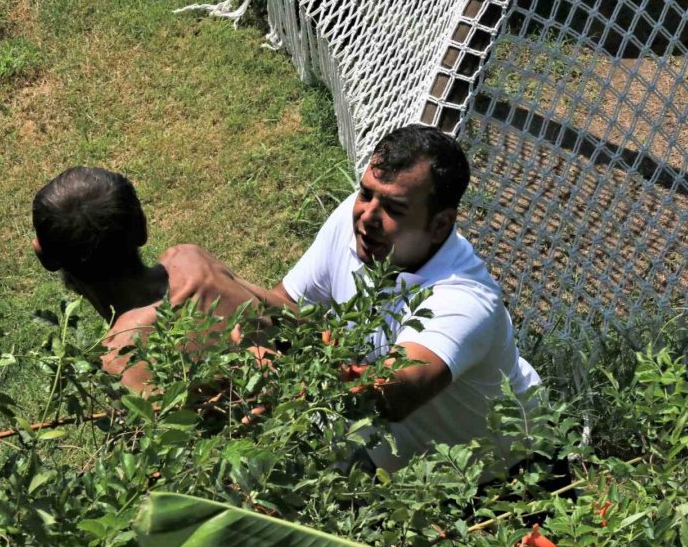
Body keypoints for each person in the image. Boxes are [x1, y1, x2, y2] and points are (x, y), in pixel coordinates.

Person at [168, 124, 542, 472]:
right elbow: (289, 306)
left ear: (440, 224)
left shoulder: (463, 300)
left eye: (394, 208)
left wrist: (243, 302)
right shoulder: (360, 224)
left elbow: (392, 396)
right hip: (384, 451)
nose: (367, 216)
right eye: (365, 193)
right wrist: (227, 291)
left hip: (494, 477)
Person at [31, 166, 258, 393]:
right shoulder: (192, 264)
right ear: (142, 227)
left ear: (45, 258)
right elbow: (284, 310)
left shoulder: (114, 366)